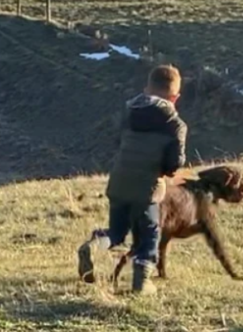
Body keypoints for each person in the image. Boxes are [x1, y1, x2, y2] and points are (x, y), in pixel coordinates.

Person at [77, 64, 187, 295]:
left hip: (119, 182)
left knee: (117, 232)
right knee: (150, 233)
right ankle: (142, 281)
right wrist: (166, 171)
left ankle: (94, 246)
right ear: (175, 97)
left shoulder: (130, 113)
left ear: (147, 88)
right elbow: (174, 162)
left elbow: (117, 142)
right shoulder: (174, 124)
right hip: (147, 189)